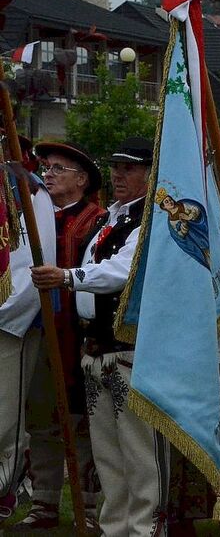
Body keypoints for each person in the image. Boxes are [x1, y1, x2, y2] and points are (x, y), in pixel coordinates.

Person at [31, 136, 171, 536]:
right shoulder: (113, 217)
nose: (119, 174)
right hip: (97, 349)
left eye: (130, 168)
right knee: (109, 456)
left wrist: (68, 277)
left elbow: (126, 269)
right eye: (116, 166)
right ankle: (115, 528)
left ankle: (146, 528)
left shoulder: (156, 216)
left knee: (141, 453)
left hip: (133, 350)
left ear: (150, 173)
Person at [10, 141, 104, 532]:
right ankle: (45, 502)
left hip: (80, 336)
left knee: (85, 423)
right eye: (46, 167)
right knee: (42, 420)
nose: (47, 174)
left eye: (58, 169)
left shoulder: (99, 221)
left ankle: (92, 506)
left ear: (81, 180)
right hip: (39, 332)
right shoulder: (33, 217)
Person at [0, 148, 56, 524]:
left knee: (4, 419)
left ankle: (3, 491)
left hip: (8, 324)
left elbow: (35, 264)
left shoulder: (27, 188)